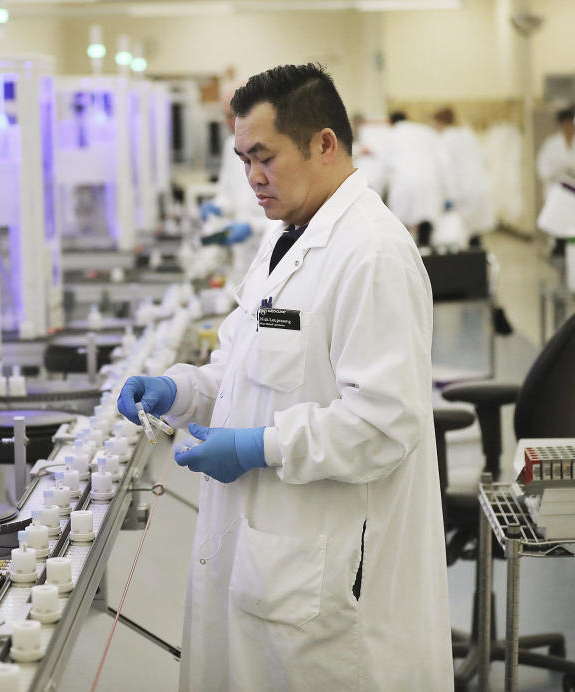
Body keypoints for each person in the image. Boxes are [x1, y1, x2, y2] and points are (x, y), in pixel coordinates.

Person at [118, 64, 452, 690]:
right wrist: (183, 389)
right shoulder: (286, 239)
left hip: (329, 585)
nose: (251, 178)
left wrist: (256, 447)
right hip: (270, 561)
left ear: (324, 143)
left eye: (264, 157)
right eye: (243, 159)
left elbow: (383, 425)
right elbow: (245, 371)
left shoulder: (370, 252)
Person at [199, 89, 272, 275]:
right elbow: (228, 195)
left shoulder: (273, 148)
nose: (228, 123)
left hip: (268, 252)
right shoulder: (230, 145)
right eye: (225, 116)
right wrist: (218, 207)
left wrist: (252, 227)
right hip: (242, 257)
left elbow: (290, 218)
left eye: (232, 115)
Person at [383, 110, 453, 246]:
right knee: (425, 222)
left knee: (400, 227)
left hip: (404, 182)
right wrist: (447, 192)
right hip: (430, 182)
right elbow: (443, 161)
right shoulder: (425, 131)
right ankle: (425, 254)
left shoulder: (391, 134)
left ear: (390, 122)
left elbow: (384, 166)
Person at [433, 107, 496, 246]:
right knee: (475, 236)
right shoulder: (467, 135)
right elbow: (483, 159)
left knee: (460, 238)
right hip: (480, 189)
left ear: (439, 122)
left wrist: (449, 197)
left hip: (462, 194)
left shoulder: (445, 139)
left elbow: (447, 170)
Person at [536, 105, 575, 256]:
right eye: (565, 124)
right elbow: (542, 169)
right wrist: (562, 168)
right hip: (558, 192)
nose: (568, 127)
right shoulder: (551, 144)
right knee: (559, 231)